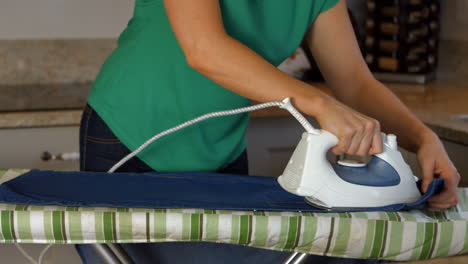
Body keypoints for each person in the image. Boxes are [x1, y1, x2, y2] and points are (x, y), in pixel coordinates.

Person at [75, 0, 461, 263]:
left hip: (220, 147)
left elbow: (355, 82)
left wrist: (423, 139)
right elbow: (203, 49)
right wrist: (321, 105)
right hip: (130, 136)